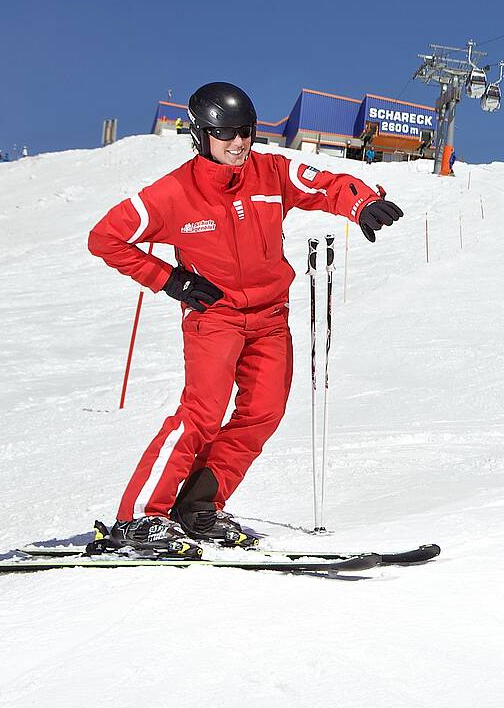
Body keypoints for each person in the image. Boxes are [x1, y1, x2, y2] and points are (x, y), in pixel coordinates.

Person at [87, 82, 405, 555]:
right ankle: (139, 518)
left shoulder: (270, 171)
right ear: (201, 135)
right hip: (215, 317)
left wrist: (360, 203)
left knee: (263, 413)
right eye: (225, 134)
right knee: (202, 414)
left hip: (271, 318)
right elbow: (105, 238)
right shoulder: (172, 193)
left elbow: (325, 185)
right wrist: (171, 281)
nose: (238, 143)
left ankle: (198, 507)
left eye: (246, 132)